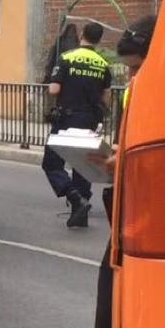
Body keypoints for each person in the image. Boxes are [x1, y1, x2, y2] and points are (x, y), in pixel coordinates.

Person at [91, 16, 157, 328]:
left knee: (114, 323)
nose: (132, 77)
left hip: (148, 221)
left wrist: (125, 158)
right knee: (110, 325)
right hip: (131, 216)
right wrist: (119, 156)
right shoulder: (142, 87)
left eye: (137, 66)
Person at [41, 21, 112, 229]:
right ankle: (80, 213)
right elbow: (105, 98)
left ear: (82, 34)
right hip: (90, 120)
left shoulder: (67, 58)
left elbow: (54, 89)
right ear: (98, 39)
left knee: (52, 163)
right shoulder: (103, 64)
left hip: (67, 120)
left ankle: (74, 198)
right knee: (83, 165)